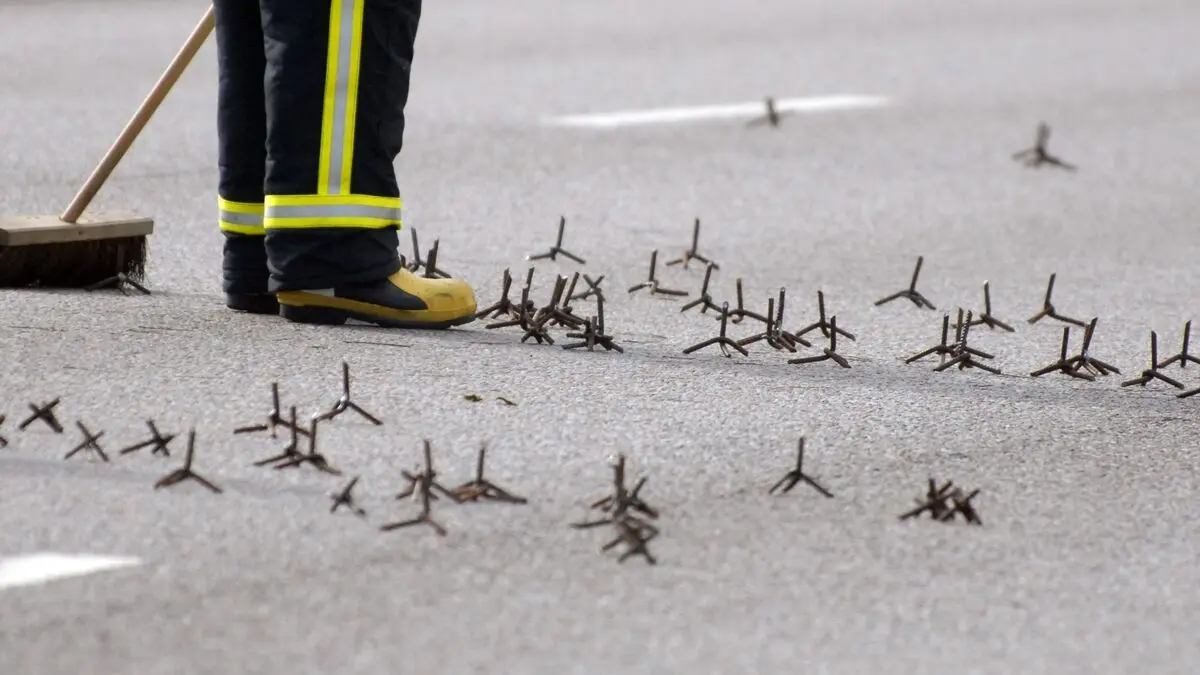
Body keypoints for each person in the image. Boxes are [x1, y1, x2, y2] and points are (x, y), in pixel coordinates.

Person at [213, 0, 476, 328]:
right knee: (346, 17)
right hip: (325, 258)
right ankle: (333, 255)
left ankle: (261, 256)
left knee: (273, 16)